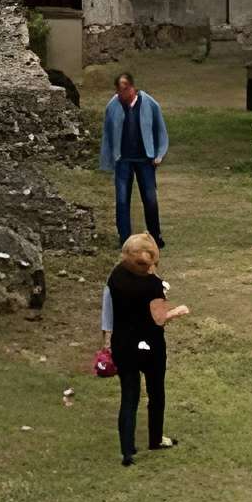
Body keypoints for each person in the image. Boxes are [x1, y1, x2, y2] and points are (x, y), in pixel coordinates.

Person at [104, 233, 188, 466]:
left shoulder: (116, 276)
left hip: (123, 344)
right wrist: (178, 310)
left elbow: (111, 308)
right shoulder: (152, 286)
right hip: (151, 345)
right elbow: (159, 318)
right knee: (155, 393)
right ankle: (155, 438)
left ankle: (127, 450)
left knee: (129, 396)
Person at [97, 70, 168, 246]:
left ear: (132, 88)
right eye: (119, 90)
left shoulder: (149, 104)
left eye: (125, 88)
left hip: (145, 159)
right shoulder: (112, 106)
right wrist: (108, 160)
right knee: (122, 200)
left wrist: (159, 154)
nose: (122, 93)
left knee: (150, 199)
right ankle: (125, 238)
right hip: (123, 159)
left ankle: (155, 236)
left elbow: (160, 131)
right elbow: (107, 135)